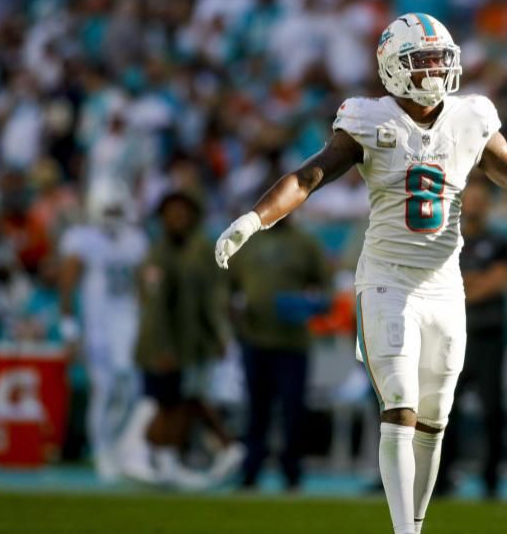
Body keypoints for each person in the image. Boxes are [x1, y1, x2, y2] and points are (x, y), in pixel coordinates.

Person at [214, 13, 507, 534]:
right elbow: (310, 175)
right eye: (422, 61)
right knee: (398, 402)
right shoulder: (367, 119)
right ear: (392, 68)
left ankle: (415, 525)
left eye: (441, 59)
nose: (434, 71)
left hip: (445, 284)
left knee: (434, 420)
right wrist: (254, 218)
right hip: (386, 277)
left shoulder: (471, 118)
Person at [136, 189, 243, 489]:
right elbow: (155, 308)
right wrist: (163, 348)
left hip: (192, 344)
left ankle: (167, 459)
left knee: (182, 403)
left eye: (183, 213)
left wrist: (217, 336)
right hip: (165, 344)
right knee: (169, 403)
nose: (178, 219)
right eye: (172, 214)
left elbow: (208, 302)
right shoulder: (158, 254)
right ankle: (144, 452)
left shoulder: (197, 252)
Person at [228, 215, 329, 491]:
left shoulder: (305, 243)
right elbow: (228, 284)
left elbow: (325, 284)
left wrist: (310, 306)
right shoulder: (246, 242)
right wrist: (233, 309)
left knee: (292, 409)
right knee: (256, 408)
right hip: (254, 337)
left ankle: (292, 471)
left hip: (292, 341)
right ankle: (251, 469)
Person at [58, 181, 148, 481]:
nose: (112, 214)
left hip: (129, 324)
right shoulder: (82, 239)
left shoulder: (134, 239)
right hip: (99, 327)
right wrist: (70, 329)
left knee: (132, 389)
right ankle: (101, 449)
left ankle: (119, 445)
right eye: (108, 209)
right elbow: (67, 286)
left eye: (116, 209)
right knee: (105, 390)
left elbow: (142, 287)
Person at [435, 181, 507, 500]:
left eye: (482, 200)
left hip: (487, 336)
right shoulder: (446, 238)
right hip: (452, 336)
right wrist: (476, 283)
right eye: (472, 199)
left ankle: (491, 479)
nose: (476, 205)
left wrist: (464, 285)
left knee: (493, 410)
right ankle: (442, 479)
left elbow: (498, 281)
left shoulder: (499, 241)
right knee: (444, 411)